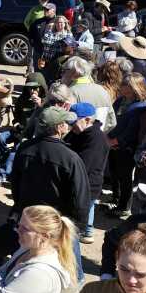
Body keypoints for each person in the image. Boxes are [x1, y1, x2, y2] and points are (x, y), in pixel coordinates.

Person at [11, 106, 90, 281]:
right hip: (59, 221)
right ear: (59, 127)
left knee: (30, 254)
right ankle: (75, 282)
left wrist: (21, 207)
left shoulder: (24, 149)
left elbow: (14, 182)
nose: (69, 126)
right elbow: (80, 196)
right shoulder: (70, 158)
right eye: (66, 123)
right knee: (70, 265)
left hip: (31, 217)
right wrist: (79, 226)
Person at [65, 103, 110, 245]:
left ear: (87, 120)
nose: (71, 125)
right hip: (80, 183)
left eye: (74, 122)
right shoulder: (79, 132)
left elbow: (84, 165)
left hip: (88, 184)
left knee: (80, 217)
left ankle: (86, 231)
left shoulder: (96, 138)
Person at [107, 73, 146, 217]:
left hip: (126, 148)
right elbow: (110, 118)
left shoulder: (141, 107)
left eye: (126, 85)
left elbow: (132, 131)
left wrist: (116, 141)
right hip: (112, 144)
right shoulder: (120, 100)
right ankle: (116, 199)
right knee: (114, 173)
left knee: (125, 177)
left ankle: (124, 206)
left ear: (134, 88)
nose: (122, 87)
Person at [63, 56, 117, 132]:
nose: (63, 74)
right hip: (98, 139)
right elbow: (112, 122)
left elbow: (65, 124)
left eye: (65, 70)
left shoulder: (71, 92)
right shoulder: (102, 90)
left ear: (74, 72)